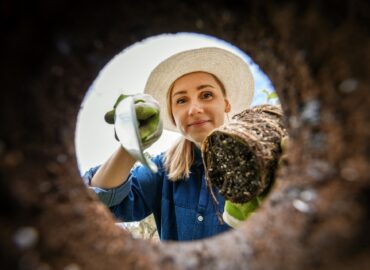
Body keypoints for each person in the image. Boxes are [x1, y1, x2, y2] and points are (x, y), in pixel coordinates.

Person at [82, 47, 254, 241]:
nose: (194, 109)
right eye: (181, 100)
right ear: (172, 114)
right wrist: (131, 145)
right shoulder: (163, 170)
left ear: (226, 103)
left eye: (206, 95)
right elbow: (99, 206)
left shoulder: (258, 162)